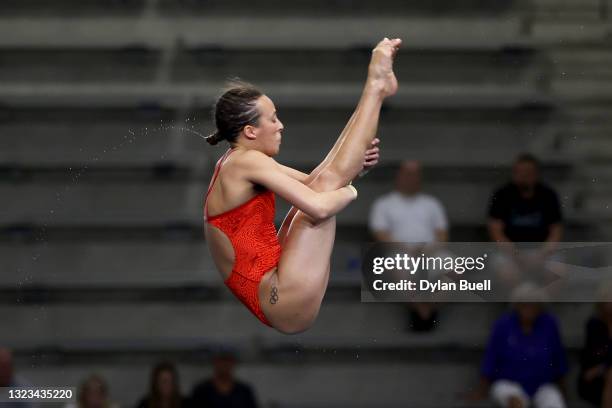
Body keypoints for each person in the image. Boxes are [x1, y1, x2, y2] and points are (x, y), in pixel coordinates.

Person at [203, 37, 402, 334]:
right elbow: (319, 205)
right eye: (273, 119)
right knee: (324, 194)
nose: (281, 125)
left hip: (279, 287)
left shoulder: (239, 161)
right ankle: (374, 89)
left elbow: (314, 181)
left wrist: (355, 171)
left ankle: (375, 90)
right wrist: (350, 189)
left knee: (326, 181)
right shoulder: (244, 162)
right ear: (250, 131)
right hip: (280, 298)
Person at [369, 160, 448, 331]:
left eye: (415, 175)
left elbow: (442, 235)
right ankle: (424, 313)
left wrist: (428, 250)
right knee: (400, 268)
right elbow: (381, 235)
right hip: (399, 252)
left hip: (430, 251)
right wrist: (408, 249)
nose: (411, 179)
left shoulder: (432, 204)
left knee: (455, 269)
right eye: (408, 174)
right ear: (399, 176)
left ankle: (425, 311)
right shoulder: (384, 204)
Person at [464, 288, 568, 408]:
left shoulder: (549, 324)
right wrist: (481, 390)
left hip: (542, 384)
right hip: (509, 382)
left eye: (533, 306)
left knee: (555, 403)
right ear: (517, 306)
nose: (528, 310)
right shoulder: (503, 325)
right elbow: (490, 358)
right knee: (514, 402)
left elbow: (559, 358)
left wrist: (563, 388)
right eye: (524, 305)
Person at [487, 153, 564, 290]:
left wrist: (541, 254)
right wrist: (517, 255)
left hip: (542, 251)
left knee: (559, 273)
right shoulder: (502, 194)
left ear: (536, 174)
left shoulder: (548, 195)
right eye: (519, 172)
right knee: (507, 273)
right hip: (509, 252)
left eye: (527, 172)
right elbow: (496, 232)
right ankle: (518, 308)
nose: (523, 176)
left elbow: (556, 231)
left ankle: (541, 306)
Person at [578, 287, 612, 407]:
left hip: (601, 372)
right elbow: (594, 355)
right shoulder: (593, 325)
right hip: (595, 381)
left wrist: (602, 367)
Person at [189, 352, 258, 408]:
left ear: (233, 363)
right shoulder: (201, 390)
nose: (224, 365)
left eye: (227, 361)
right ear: (214, 362)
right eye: (221, 361)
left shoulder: (244, 391)